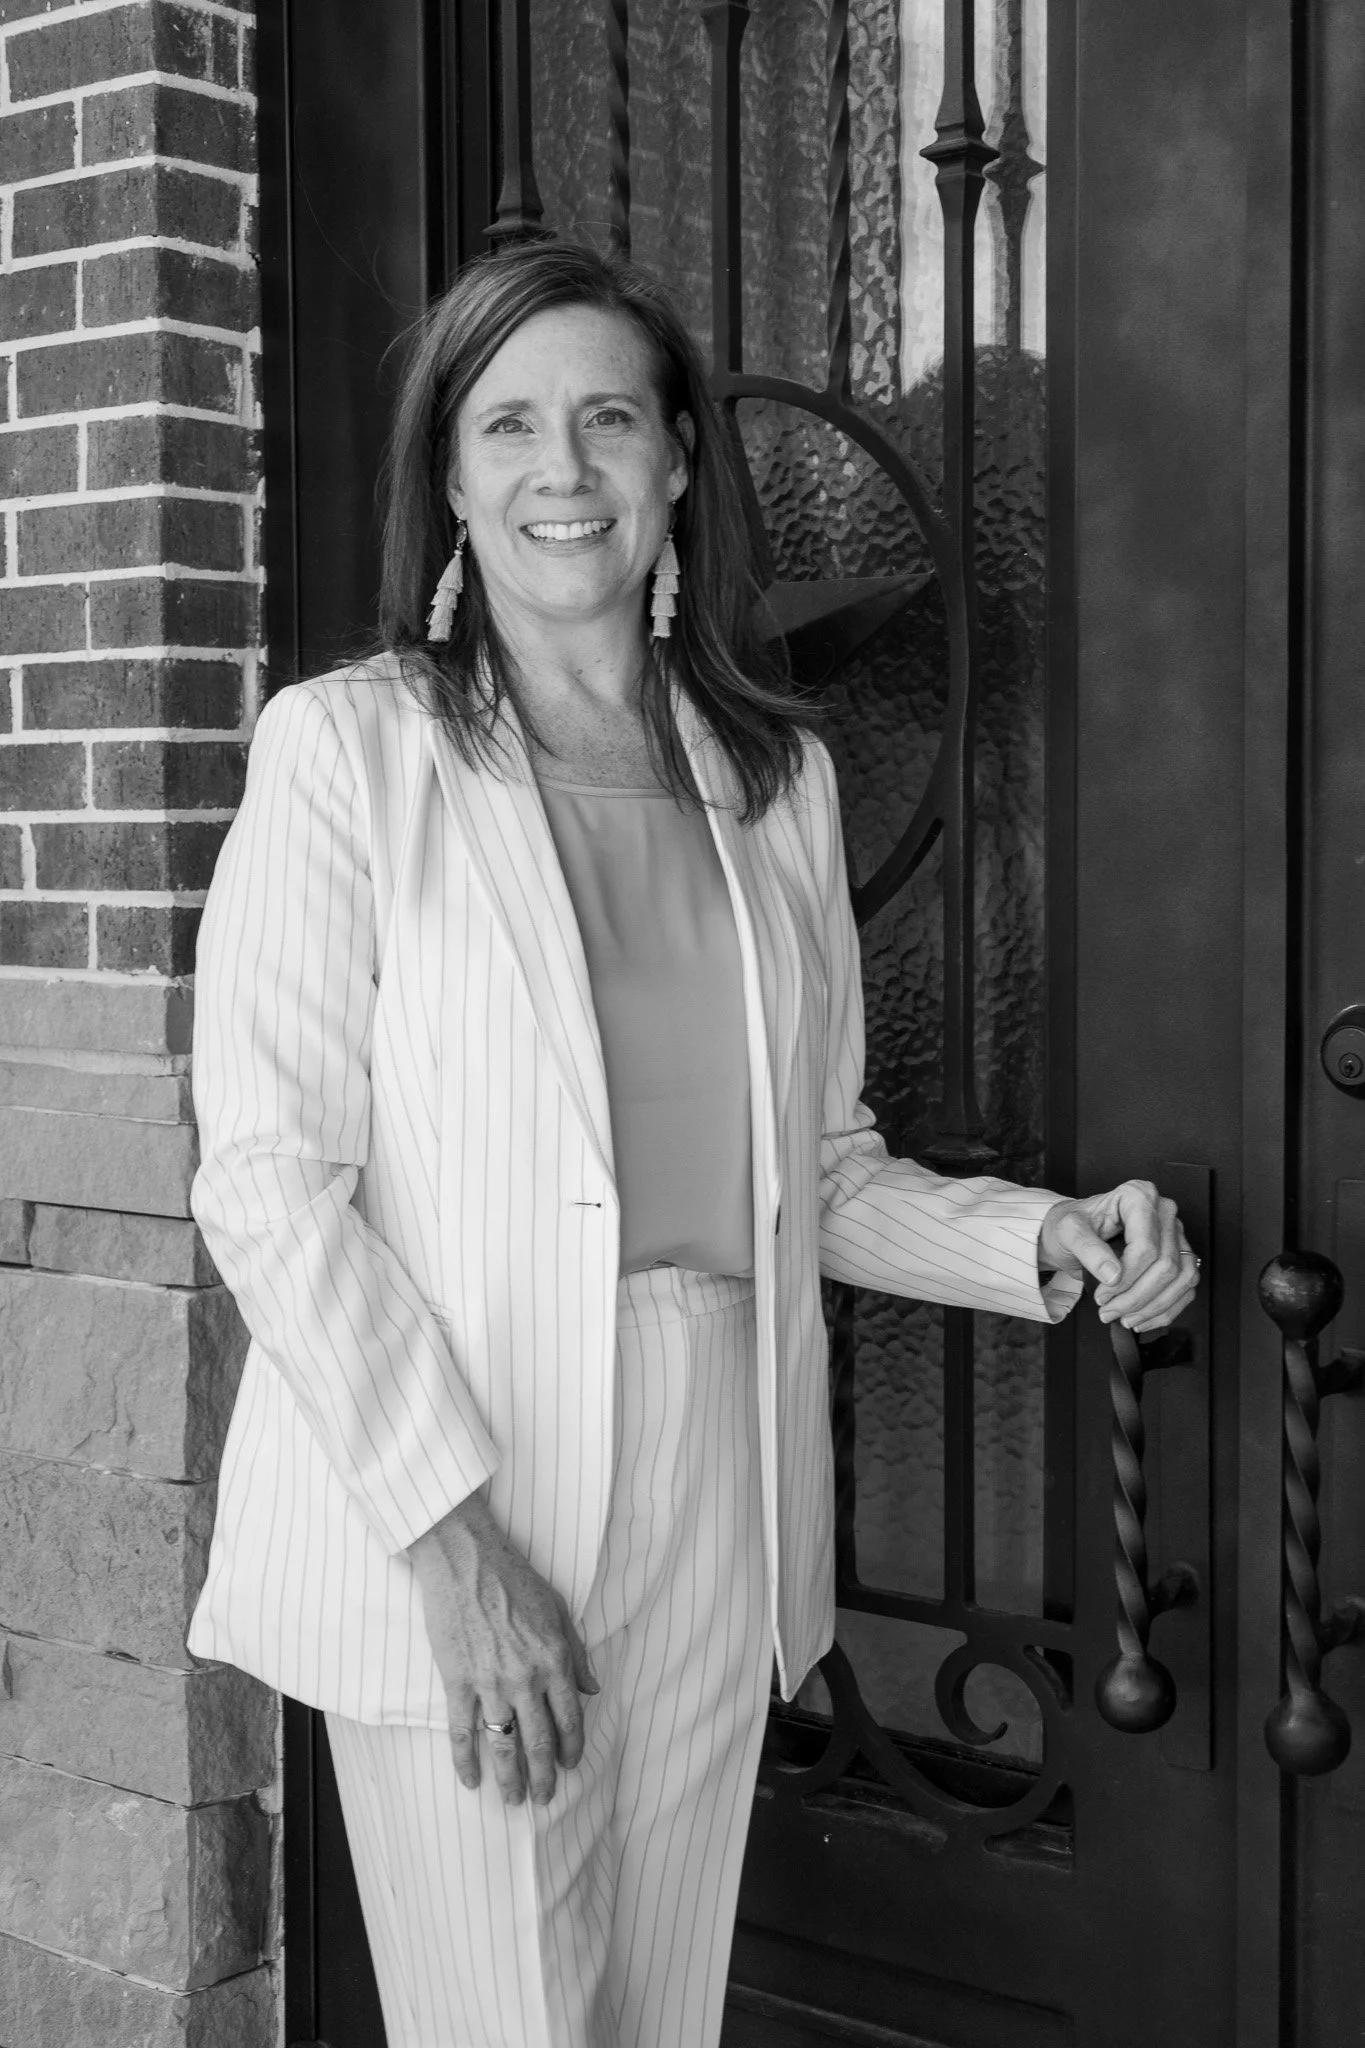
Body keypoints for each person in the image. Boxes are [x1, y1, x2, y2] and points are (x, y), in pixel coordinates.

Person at [187, 240, 1198, 2048]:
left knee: (657, 2024)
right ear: (451, 480)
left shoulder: (772, 782)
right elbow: (271, 1181)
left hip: (713, 1484)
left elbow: (819, 1166)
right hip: (463, 1479)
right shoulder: (348, 756)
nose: (558, 468)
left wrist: (1047, 1244)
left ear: (670, 469)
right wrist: (453, 1548)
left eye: (605, 420)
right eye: (508, 424)